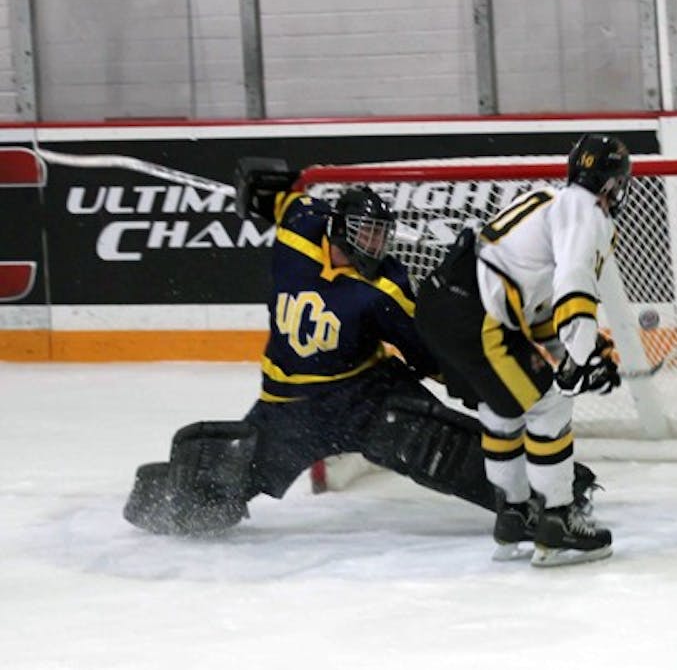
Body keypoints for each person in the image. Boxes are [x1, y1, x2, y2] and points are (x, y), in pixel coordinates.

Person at [123, 157, 589, 536]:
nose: (376, 243)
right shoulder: (298, 229)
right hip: (287, 407)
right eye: (366, 234)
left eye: (381, 235)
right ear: (340, 228)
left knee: (442, 450)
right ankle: (164, 497)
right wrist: (260, 182)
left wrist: (470, 377)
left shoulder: (387, 286)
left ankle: (554, 494)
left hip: (365, 397)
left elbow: (427, 347)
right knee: (220, 491)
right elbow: (282, 197)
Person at [414, 133, 631, 567]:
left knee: (504, 411)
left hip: (444, 307)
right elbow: (574, 284)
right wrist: (582, 356)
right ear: (609, 184)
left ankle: (513, 514)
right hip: (477, 319)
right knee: (549, 407)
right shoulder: (586, 212)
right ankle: (556, 520)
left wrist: (579, 353)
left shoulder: (550, 199)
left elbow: (535, 310)